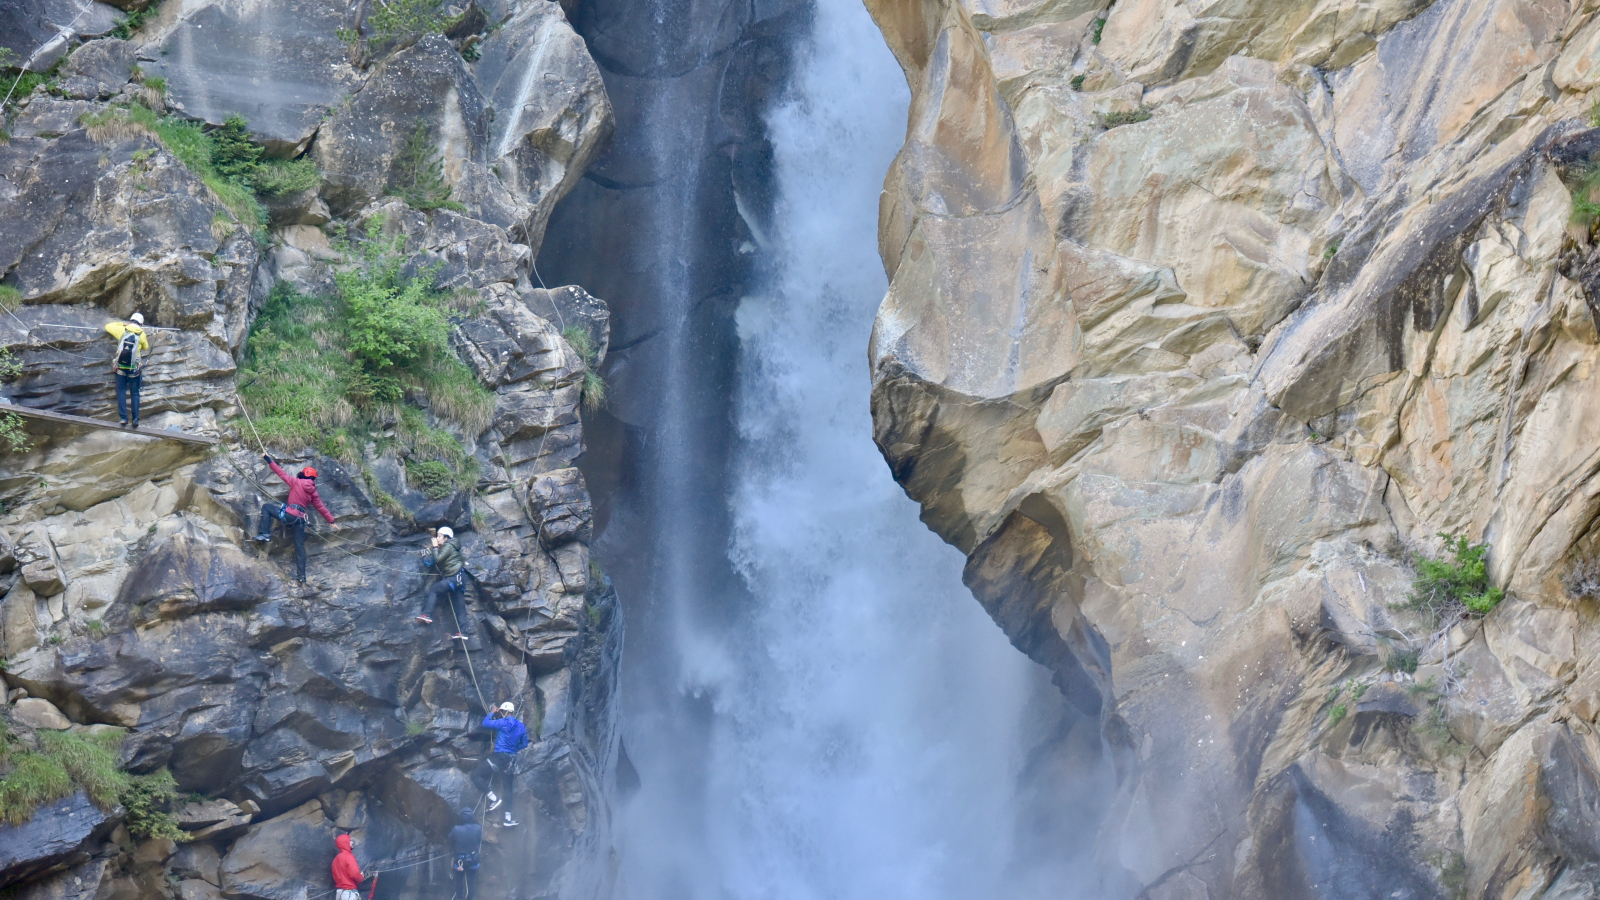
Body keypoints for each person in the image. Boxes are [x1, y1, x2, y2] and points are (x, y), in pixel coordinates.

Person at [254, 453, 337, 582]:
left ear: (303, 475)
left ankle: (265, 534)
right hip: (300, 520)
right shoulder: (313, 492)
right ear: (313, 479)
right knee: (300, 546)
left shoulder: (296, 482)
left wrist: (268, 459)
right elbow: (320, 507)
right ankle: (302, 577)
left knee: (266, 507)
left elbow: (280, 473)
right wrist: (331, 521)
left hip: (289, 515)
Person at [471, 701, 529, 827]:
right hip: (510, 760)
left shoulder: (503, 723)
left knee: (476, 775)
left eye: (502, 712)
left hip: (499, 757)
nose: (502, 713)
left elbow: (485, 723)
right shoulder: (521, 726)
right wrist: (513, 748)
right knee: (508, 789)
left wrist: (492, 713)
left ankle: (494, 798)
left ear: (505, 712)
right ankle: (508, 819)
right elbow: (524, 744)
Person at [417, 527, 471, 641]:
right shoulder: (447, 547)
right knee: (460, 607)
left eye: (439, 536)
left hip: (455, 578)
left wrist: (435, 547)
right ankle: (463, 633)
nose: (437, 538)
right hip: (459, 579)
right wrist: (425, 558)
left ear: (446, 538)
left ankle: (427, 615)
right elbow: (432, 563)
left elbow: (438, 559)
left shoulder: (448, 545)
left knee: (434, 590)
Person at [104, 313, 148, 429]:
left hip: (120, 368)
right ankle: (135, 419)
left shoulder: (122, 330)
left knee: (121, 391)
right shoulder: (141, 334)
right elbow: (146, 347)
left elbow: (108, 326)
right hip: (134, 369)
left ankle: (123, 418)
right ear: (141, 324)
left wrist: (122, 324)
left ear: (131, 321)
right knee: (135, 393)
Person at [448, 808, 482, 900]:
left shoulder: (456, 829)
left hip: (460, 861)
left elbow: (450, 840)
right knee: (471, 883)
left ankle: (459, 898)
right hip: (473, 859)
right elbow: (479, 841)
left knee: (459, 881)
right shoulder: (478, 828)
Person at [331, 833, 365, 900]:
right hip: (349, 893)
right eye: (350, 841)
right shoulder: (349, 856)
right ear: (345, 843)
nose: (352, 842)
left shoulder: (335, 860)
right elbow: (354, 873)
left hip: (340, 893)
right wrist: (361, 877)